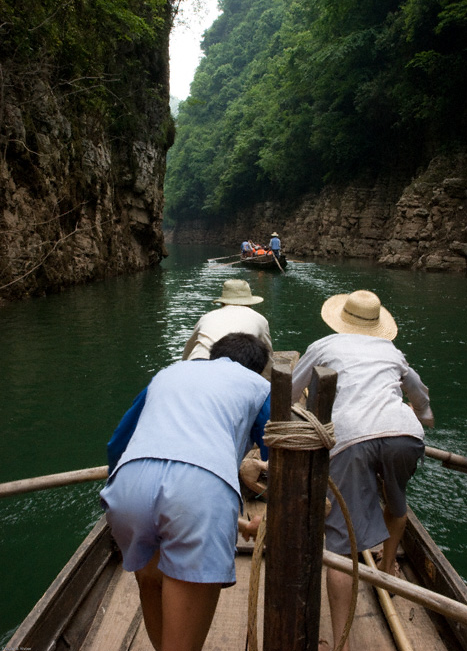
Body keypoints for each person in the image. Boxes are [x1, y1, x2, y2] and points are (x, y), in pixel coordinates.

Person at [100, 333, 271, 651]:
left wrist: (115, 489)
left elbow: (117, 444)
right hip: (198, 492)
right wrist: (273, 514)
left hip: (129, 485)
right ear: (259, 369)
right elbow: (279, 451)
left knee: (149, 582)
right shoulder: (259, 387)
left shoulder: (169, 373)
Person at [291, 290, 434, 651]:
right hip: (405, 435)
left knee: (340, 545)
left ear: (341, 318)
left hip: (352, 439)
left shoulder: (324, 345)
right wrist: (425, 417)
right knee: (396, 500)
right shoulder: (392, 352)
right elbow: (418, 392)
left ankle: (341, 642)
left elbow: (290, 390)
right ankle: (387, 566)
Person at [182, 278, 273, 378]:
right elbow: (267, 356)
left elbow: (189, 347)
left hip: (196, 363)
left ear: (222, 303)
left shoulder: (207, 317)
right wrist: (267, 383)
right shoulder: (259, 319)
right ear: (250, 303)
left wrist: (184, 368)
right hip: (233, 367)